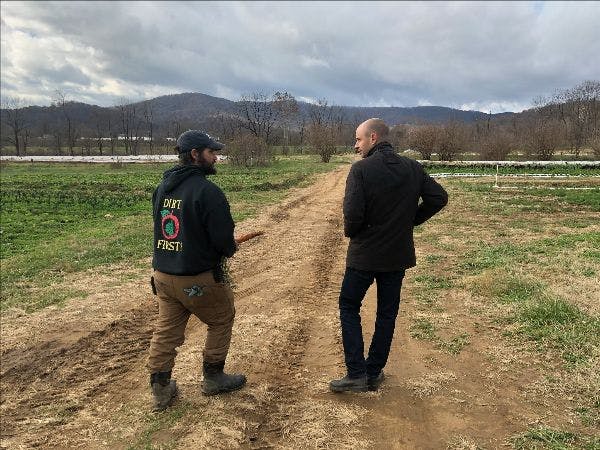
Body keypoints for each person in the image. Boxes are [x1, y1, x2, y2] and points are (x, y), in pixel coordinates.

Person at [330, 118, 448, 393]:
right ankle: (373, 372)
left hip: (364, 255)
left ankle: (356, 373)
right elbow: (439, 198)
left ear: (373, 138)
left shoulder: (360, 170)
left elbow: (353, 217)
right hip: (397, 255)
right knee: (387, 312)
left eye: (358, 139)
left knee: (349, 306)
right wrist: (411, 221)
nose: (355, 145)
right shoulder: (413, 168)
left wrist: (355, 233)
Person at [148, 130, 246, 411]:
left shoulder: (162, 187)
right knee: (222, 317)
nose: (216, 156)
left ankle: (160, 389)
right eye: (211, 152)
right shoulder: (208, 191)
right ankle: (214, 378)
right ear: (195, 154)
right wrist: (228, 249)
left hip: (163, 277)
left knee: (166, 332)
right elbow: (224, 240)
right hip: (197, 279)